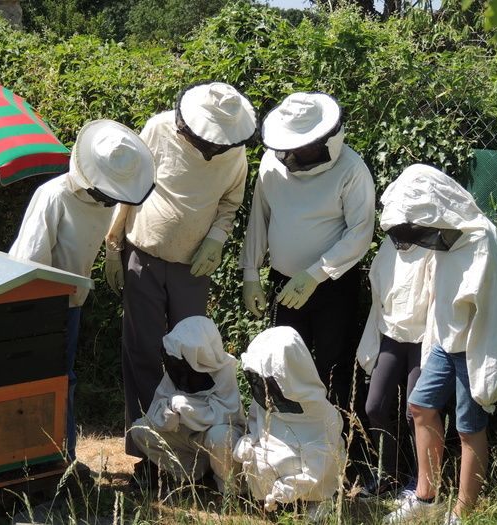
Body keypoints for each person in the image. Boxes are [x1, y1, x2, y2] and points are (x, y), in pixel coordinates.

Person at [104, 81, 258, 474]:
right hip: (145, 256)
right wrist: (113, 246)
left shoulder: (234, 152)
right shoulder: (157, 129)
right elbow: (129, 187)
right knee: (142, 352)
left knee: (192, 357)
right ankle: (148, 454)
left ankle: (194, 449)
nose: (211, 148)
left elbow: (230, 201)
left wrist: (217, 239)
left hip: (193, 267)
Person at [378, 164, 497, 524]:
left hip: (476, 346)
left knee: (470, 426)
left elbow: (492, 315)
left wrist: (486, 379)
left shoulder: (481, 238)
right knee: (420, 406)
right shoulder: (444, 236)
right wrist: (432, 345)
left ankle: (462, 511)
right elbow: (436, 297)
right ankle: (426, 497)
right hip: (445, 342)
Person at [9, 119, 156, 464]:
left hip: (70, 305)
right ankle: (42, 462)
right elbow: (26, 263)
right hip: (35, 305)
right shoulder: (54, 196)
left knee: (63, 381)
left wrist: (112, 253)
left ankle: (64, 460)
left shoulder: (107, 202)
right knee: (41, 384)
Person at [240, 92, 375, 410]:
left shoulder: (352, 170)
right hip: (284, 285)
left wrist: (317, 274)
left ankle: (339, 449)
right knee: (281, 364)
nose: (299, 153)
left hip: (334, 287)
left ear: (329, 138)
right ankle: (285, 445)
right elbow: (260, 217)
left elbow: (360, 233)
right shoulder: (272, 165)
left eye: (307, 146)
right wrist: (250, 274)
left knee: (332, 368)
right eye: (294, 146)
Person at [355, 223, 435, 497]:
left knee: (417, 412)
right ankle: (389, 475)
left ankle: (421, 482)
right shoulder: (388, 247)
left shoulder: (434, 245)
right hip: (392, 334)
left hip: (425, 335)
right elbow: (379, 294)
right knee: (374, 406)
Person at [233, 326, 345, 521]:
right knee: (257, 456)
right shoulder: (263, 402)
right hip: (280, 473)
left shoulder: (321, 412)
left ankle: (319, 501)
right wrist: (248, 443)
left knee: (286, 463)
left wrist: (290, 486)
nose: (263, 387)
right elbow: (255, 429)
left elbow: (323, 460)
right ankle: (268, 503)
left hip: (310, 474)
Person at [129, 316, 245, 492]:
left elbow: (226, 413)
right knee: (140, 430)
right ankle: (193, 474)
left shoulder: (224, 369)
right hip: (185, 437)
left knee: (221, 437)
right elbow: (157, 410)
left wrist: (186, 408)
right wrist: (168, 411)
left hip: (212, 435)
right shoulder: (177, 362)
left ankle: (230, 489)